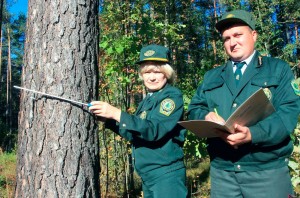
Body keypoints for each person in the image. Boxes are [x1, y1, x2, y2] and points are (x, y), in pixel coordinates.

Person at [187, 10, 300, 198]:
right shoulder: (212, 76)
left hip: (266, 172)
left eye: (238, 35)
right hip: (223, 173)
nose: (232, 42)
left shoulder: (278, 69)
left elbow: (287, 115)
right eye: (226, 38)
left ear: (253, 35)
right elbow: (194, 109)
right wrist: (205, 116)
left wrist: (253, 134)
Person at [89, 44, 187, 197]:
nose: (151, 77)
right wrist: (110, 120)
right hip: (148, 176)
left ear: (166, 74)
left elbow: (154, 130)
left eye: (157, 71)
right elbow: (136, 134)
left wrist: (116, 113)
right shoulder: (147, 101)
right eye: (147, 72)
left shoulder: (171, 96)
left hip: (166, 176)